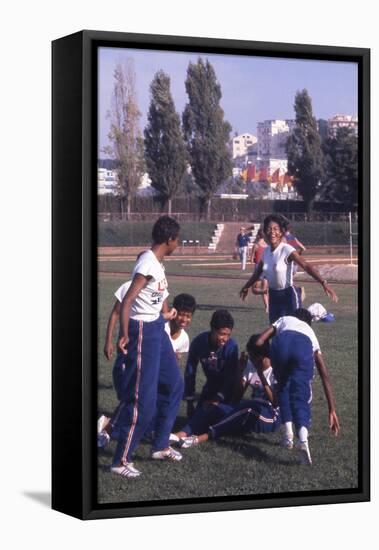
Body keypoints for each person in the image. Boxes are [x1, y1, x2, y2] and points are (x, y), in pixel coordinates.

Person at [106, 215, 185, 478]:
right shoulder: (147, 263)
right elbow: (127, 301)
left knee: (174, 384)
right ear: (169, 239)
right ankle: (120, 460)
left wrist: (167, 315)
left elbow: (156, 297)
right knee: (144, 402)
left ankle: (160, 445)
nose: (178, 243)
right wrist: (124, 334)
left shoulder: (157, 262)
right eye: (177, 239)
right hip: (142, 332)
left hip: (157, 330)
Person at [99, 292, 196, 446]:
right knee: (135, 402)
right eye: (181, 315)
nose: (184, 319)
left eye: (188, 316)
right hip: (141, 369)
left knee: (146, 422)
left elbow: (173, 365)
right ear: (174, 311)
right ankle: (108, 427)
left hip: (157, 377)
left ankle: (116, 428)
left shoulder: (184, 339)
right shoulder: (160, 326)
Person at [255, 308, 340, 465]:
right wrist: (332, 409)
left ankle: (288, 436)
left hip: (279, 345)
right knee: (300, 395)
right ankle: (303, 440)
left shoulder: (284, 318)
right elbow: (324, 374)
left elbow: (259, 341)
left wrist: (271, 354)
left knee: (283, 387)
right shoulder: (309, 332)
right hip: (302, 347)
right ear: (308, 323)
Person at [172, 334, 281, 448]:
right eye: (251, 356)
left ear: (264, 356)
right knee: (211, 407)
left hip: (271, 415)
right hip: (246, 411)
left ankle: (202, 437)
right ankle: (180, 435)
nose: (252, 361)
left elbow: (276, 402)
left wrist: (261, 376)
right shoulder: (250, 365)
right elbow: (237, 397)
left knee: (249, 407)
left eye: (254, 357)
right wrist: (240, 371)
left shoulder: (276, 369)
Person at [239, 214, 338, 323]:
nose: (272, 232)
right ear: (265, 233)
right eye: (269, 229)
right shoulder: (266, 252)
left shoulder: (286, 249)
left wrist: (323, 282)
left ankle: (314, 310)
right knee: (276, 331)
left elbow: (305, 265)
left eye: (276, 229)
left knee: (295, 327)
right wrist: (246, 287)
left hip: (289, 295)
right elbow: (257, 273)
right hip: (273, 296)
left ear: (281, 232)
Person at [182, 309, 239, 421]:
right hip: (210, 386)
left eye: (228, 335)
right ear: (212, 329)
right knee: (197, 418)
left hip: (228, 390)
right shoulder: (199, 342)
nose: (225, 339)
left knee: (218, 419)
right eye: (222, 334)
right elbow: (190, 371)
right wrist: (189, 401)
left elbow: (231, 377)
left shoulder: (231, 347)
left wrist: (218, 399)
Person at [250, 228, 269, 312]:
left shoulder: (256, 245)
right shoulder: (267, 246)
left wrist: (254, 259)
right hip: (267, 268)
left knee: (255, 288)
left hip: (259, 268)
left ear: (258, 235)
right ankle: (267, 307)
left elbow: (251, 259)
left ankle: (267, 305)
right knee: (264, 287)